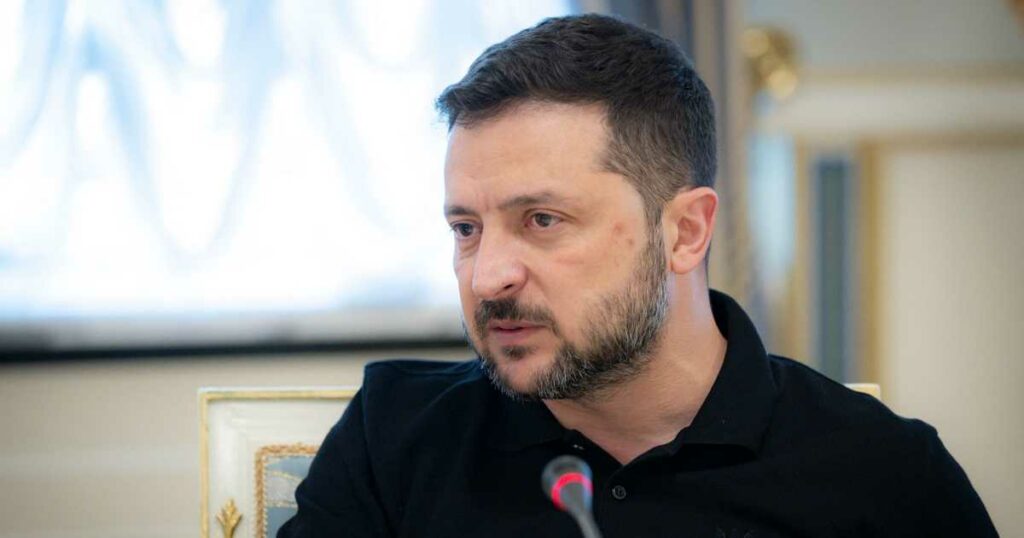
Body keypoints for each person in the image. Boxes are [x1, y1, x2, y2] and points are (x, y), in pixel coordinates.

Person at [279, 13, 997, 537]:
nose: (487, 276)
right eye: (466, 229)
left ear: (684, 232)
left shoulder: (883, 473)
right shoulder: (393, 436)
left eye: (542, 220)